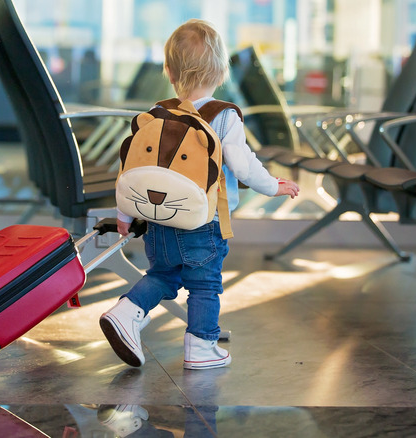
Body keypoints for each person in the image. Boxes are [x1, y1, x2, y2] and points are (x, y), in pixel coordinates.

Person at [99, 19, 300, 370]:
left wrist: (126, 215)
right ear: (221, 71)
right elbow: (243, 164)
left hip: (157, 220)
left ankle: (126, 311)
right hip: (202, 223)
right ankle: (202, 346)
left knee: (162, 275)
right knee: (205, 286)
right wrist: (273, 186)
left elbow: (131, 170)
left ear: (168, 71)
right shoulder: (223, 118)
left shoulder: (154, 115)